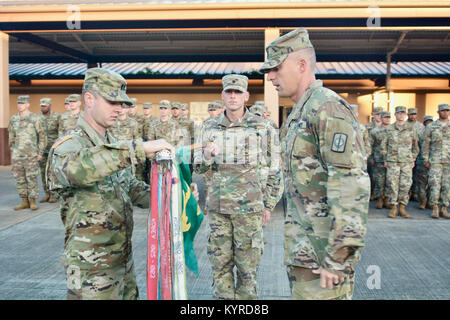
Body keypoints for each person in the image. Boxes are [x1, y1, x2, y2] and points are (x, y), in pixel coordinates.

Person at [260, 27, 369, 300]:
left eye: (275, 68)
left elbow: (351, 185)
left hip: (324, 260)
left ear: (301, 64)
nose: (270, 76)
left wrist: (339, 257)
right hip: (305, 253)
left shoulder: (326, 108)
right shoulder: (300, 112)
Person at [46, 68, 174, 300]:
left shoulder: (114, 144)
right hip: (91, 269)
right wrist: (139, 148)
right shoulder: (68, 145)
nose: (119, 109)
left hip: (122, 261)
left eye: (122, 103)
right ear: (89, 99)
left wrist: (171, 192)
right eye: (112, 101)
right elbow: (80, 169)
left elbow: (131, 189)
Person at [194, 74, 283, 300]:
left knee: (247, 273)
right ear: (222, 95)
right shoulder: (209, 126)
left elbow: (275, 169)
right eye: (229, 92)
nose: (233, 97)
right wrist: (205, 154)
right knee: (220, 270)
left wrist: (269, 205)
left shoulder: (262, 126)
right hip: (218, 210)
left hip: (250, 210)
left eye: (237, 92)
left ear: (246, 96)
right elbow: (197, 165)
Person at [8, 95, 47, 211]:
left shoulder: (35, 118)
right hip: (17, 154)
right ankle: (24, 200)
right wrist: (13, 149)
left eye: (22, 103)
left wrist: (40, 152)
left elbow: (42, 136)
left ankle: (33, 200)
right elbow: (11, 135)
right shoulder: (14, 119)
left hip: (31, 154)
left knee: (31, 177)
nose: (20, 105)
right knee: (19, 178)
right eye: (18, 103)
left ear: (28, 105)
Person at [381, 106, 419, 218]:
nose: (401, 115)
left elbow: (415, 146)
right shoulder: (389, 129)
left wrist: (413, 159)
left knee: (405, 185)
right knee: (392, 184)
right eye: (399, 113)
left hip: (406, 162)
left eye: (403, 113)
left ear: (405, 115)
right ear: (395, 114)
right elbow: (383, 146)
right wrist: (385, 159)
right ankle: (393, 207)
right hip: (393, 161)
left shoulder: (411, 129)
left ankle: (402, 207)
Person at [422, 103, 450, 219]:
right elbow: (425, 144)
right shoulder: (431, 127)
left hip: (448, 161)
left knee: (447, 185)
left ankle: (444, 208)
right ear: (438, 112)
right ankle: (434, 208)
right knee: (434, 184)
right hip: (435, 160)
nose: (445, 112)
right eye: (443, 110)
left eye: (447, 110)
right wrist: (426, 159)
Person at [38, 97, 60, 203]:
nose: (43, 108)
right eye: (41, 106)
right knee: (43, 172)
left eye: (45, 106)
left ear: (50, 106)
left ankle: (53, 194)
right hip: (42, 150)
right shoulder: (38, 118)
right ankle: (46, 193)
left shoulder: (56, 117)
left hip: (53, 149)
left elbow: (60, 132)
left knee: (52, 172)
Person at [370, 111, 391, 209]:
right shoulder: (375, 131)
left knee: (389, 180)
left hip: (391, 159)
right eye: (385, 117)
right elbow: (370, 145)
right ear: (381, 118)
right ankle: (379, 199)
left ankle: (387, 199)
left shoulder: (393, 130)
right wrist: (371, 158)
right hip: (378, 159)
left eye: (388, 117)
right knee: (379, 180)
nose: (387, 119)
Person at [417, 115, 434, 210]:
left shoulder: (435, 132)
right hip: (421, 162)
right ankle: (422, 201)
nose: (429, 123)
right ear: (424, 123)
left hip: (434, 161)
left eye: (431, 121)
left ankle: (430, 202)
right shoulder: (420, 133)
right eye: (427, 122)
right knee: (422, 183)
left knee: (432, 183)